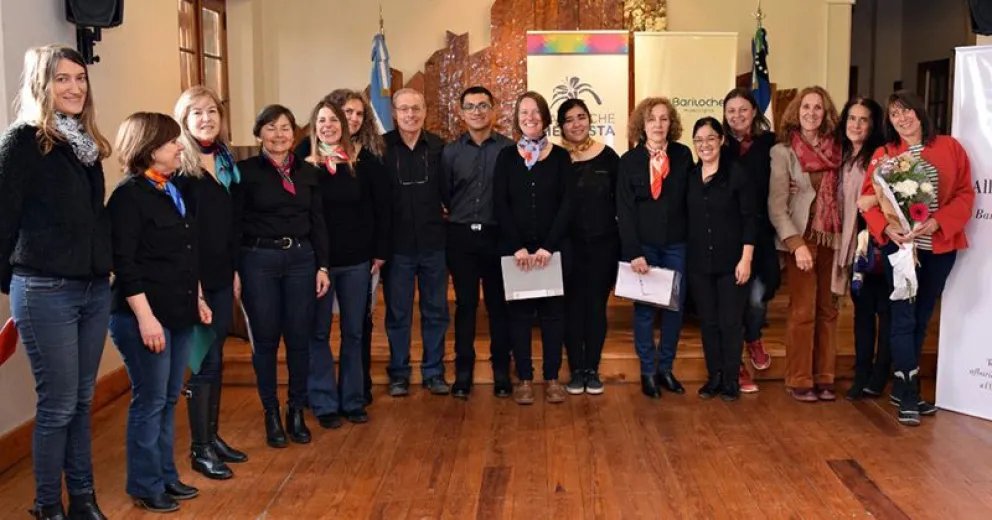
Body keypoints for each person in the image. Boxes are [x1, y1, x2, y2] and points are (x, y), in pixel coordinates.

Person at [0, 44, 113, 520]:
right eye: (62, 79)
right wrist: (20, 285)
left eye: (80, 78)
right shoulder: (22, 141)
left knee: (82, 401)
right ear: (40, 85)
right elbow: (3, 223)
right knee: (58, 405)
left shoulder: (85, 146)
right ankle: (49, 507)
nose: (73, 87)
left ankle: (83, 498)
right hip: (45, 288)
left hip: (92, 289)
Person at [107, 112, 211, 513]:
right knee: (149, 401)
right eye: (172, 142)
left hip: (179, 312)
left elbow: (186, 252)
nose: (179, 147)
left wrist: (197, 299)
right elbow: (126, 265)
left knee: (168, 399)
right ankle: (146, 484)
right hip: (144, 319)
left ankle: (166, 476)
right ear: (151, 149)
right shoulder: (128, 196)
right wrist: (147, 319)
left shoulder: (170, 190)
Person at [860, 90, 975, 425]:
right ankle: (910, 393)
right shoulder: (883, 155)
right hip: (901, 251)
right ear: (890, 122)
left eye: (907, 111)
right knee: (903, 318)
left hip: (938, 247)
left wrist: (938, 222)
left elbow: (966, 193)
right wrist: (887, 230)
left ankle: (900, 386)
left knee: (922, 316)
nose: (902, 118)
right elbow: (866, 199)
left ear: (920, 113)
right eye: (895, 114)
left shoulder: (950, 148)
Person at [235, 105, 330, 447]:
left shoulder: (307, 172)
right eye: (271, 128)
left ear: (296, 133)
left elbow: (318, 221)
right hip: (258, 259)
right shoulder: (243, 172)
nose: (279, 134)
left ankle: (295, 410)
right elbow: (233, 223)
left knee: (299, 338)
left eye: (286, 128)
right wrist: (234, 269)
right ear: (259, 132)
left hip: (302, 259)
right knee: (265, 340)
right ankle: (271, 413)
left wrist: (323, 265)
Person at [173, 85, 248, 481]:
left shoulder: (224, 162)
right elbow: (180, 235)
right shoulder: (179, 169)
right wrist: (196, 284)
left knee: (216, 361)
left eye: (212, 112)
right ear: (184, 120)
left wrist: (234, 271)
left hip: (221, 276)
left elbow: (230, 225)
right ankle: (199, 450)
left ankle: (214, 437)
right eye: (197, 113)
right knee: (203, 364)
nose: (206, 118)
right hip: (194, 281)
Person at [307, 98, 389, 426]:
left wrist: (379, 251)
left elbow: (380, 209)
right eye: (322, 120)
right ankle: (324, 402)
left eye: (334, 120)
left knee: (354, 332)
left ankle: (353, 399)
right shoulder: (305, 165)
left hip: (357, 262)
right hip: (320, 265)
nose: (329, 125)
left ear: (344, 125)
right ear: (314, 126)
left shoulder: (361, 161)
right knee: (319, 334)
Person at [494, 91, 574, 405]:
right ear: (517, 117)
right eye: (524, 112)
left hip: (550, 253)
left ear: (545, 118)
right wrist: (517, 247)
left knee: (554, 317)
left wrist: (548, 247)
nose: (530, 118)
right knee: (520, 318)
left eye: (536, 112)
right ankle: (524, 379)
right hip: (518, 255)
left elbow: (567, 204)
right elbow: (500, 204)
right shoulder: (505, 157)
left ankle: (552, 378)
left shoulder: (559, 157)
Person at [768, 86, 847, 402]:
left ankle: (825, 376)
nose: (811, 113)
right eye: (806, 107)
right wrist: (795, 244)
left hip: (834, 239)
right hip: (801, 239)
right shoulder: (783, 151)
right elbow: (776, 204)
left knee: (828, 310)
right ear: (796, 112)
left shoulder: (839, 150)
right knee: (803, 310)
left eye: (818, 108)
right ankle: (799, 377)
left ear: (826, 113)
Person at [616, 97, 693, 399]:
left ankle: (666, 369)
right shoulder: (629, 161)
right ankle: (647, 371)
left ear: (671, 124)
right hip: (644, 247)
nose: (658, 125)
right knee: (645, 310)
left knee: (674, 309)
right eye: (652, 120)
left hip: (676, 245)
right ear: (642, 125)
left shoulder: (684, 155)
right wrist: (633, 251)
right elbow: (624, 209)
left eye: (664, 119)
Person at [441, 86, 513, 399]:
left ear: (494, 110)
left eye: (483, 105)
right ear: (461, 113)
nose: (477, 112)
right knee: (466, 306)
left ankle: (501, 372)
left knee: (499, 306)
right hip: (460, 237)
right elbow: (445, 193)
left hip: (498, 236)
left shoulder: (509, 149)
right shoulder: (450, 152)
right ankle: (463, 373)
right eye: (470, 106)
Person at [381, 88, 450, 397]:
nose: (410, 114)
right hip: (397, 248)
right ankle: (399, 373)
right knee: (398, 314)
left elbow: (449, 193)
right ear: (394, 114)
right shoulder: (381, 148)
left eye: (416, 108)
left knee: (436, 311)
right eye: (404, 109)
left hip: (435, 243)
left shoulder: (438, 147)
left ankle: (434, 372)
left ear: (425, 111)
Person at [687, 117, 757, 401]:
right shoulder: (690, 177)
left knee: (730, 322)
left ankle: (731, 379)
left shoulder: (737, 174)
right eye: (699, 140)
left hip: (732, 262)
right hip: (699, 263)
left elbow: (750, 218)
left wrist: (746, 258)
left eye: (710, 138)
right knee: (709, 322)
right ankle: (714, 376)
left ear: (721, 140)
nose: (705, 145)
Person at [556, 98, 620, 395]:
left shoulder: (609, 157)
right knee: (571, 309)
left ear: (590, 120)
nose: (576, 123)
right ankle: (576, 369)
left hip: (602, 245)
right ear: (561, 126)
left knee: (595, 308)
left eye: (581, 117)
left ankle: (592, 369)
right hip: (565, 246)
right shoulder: (554, 158)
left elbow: (621, 205)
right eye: (569, 119)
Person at [722, 88, 780, 393]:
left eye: (743, 110)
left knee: (758, 295)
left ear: (754, 112)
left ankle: (754, 337)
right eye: (731, 111)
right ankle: (736, 364)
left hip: (761, 232)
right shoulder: (718, 144)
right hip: (727, 235)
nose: (737, 116)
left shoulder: (771, 144)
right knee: (731, 304)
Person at [832, 97, 889, 401]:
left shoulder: (880, 156)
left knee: (885, 311)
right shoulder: (841, 155)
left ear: (873, 124)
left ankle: (880, 376)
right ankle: (861, 373)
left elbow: (890, 197)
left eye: (863, 119)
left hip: (876, 242)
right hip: (851, 245)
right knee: (862, 313)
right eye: (851, 118)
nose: (856, 125)